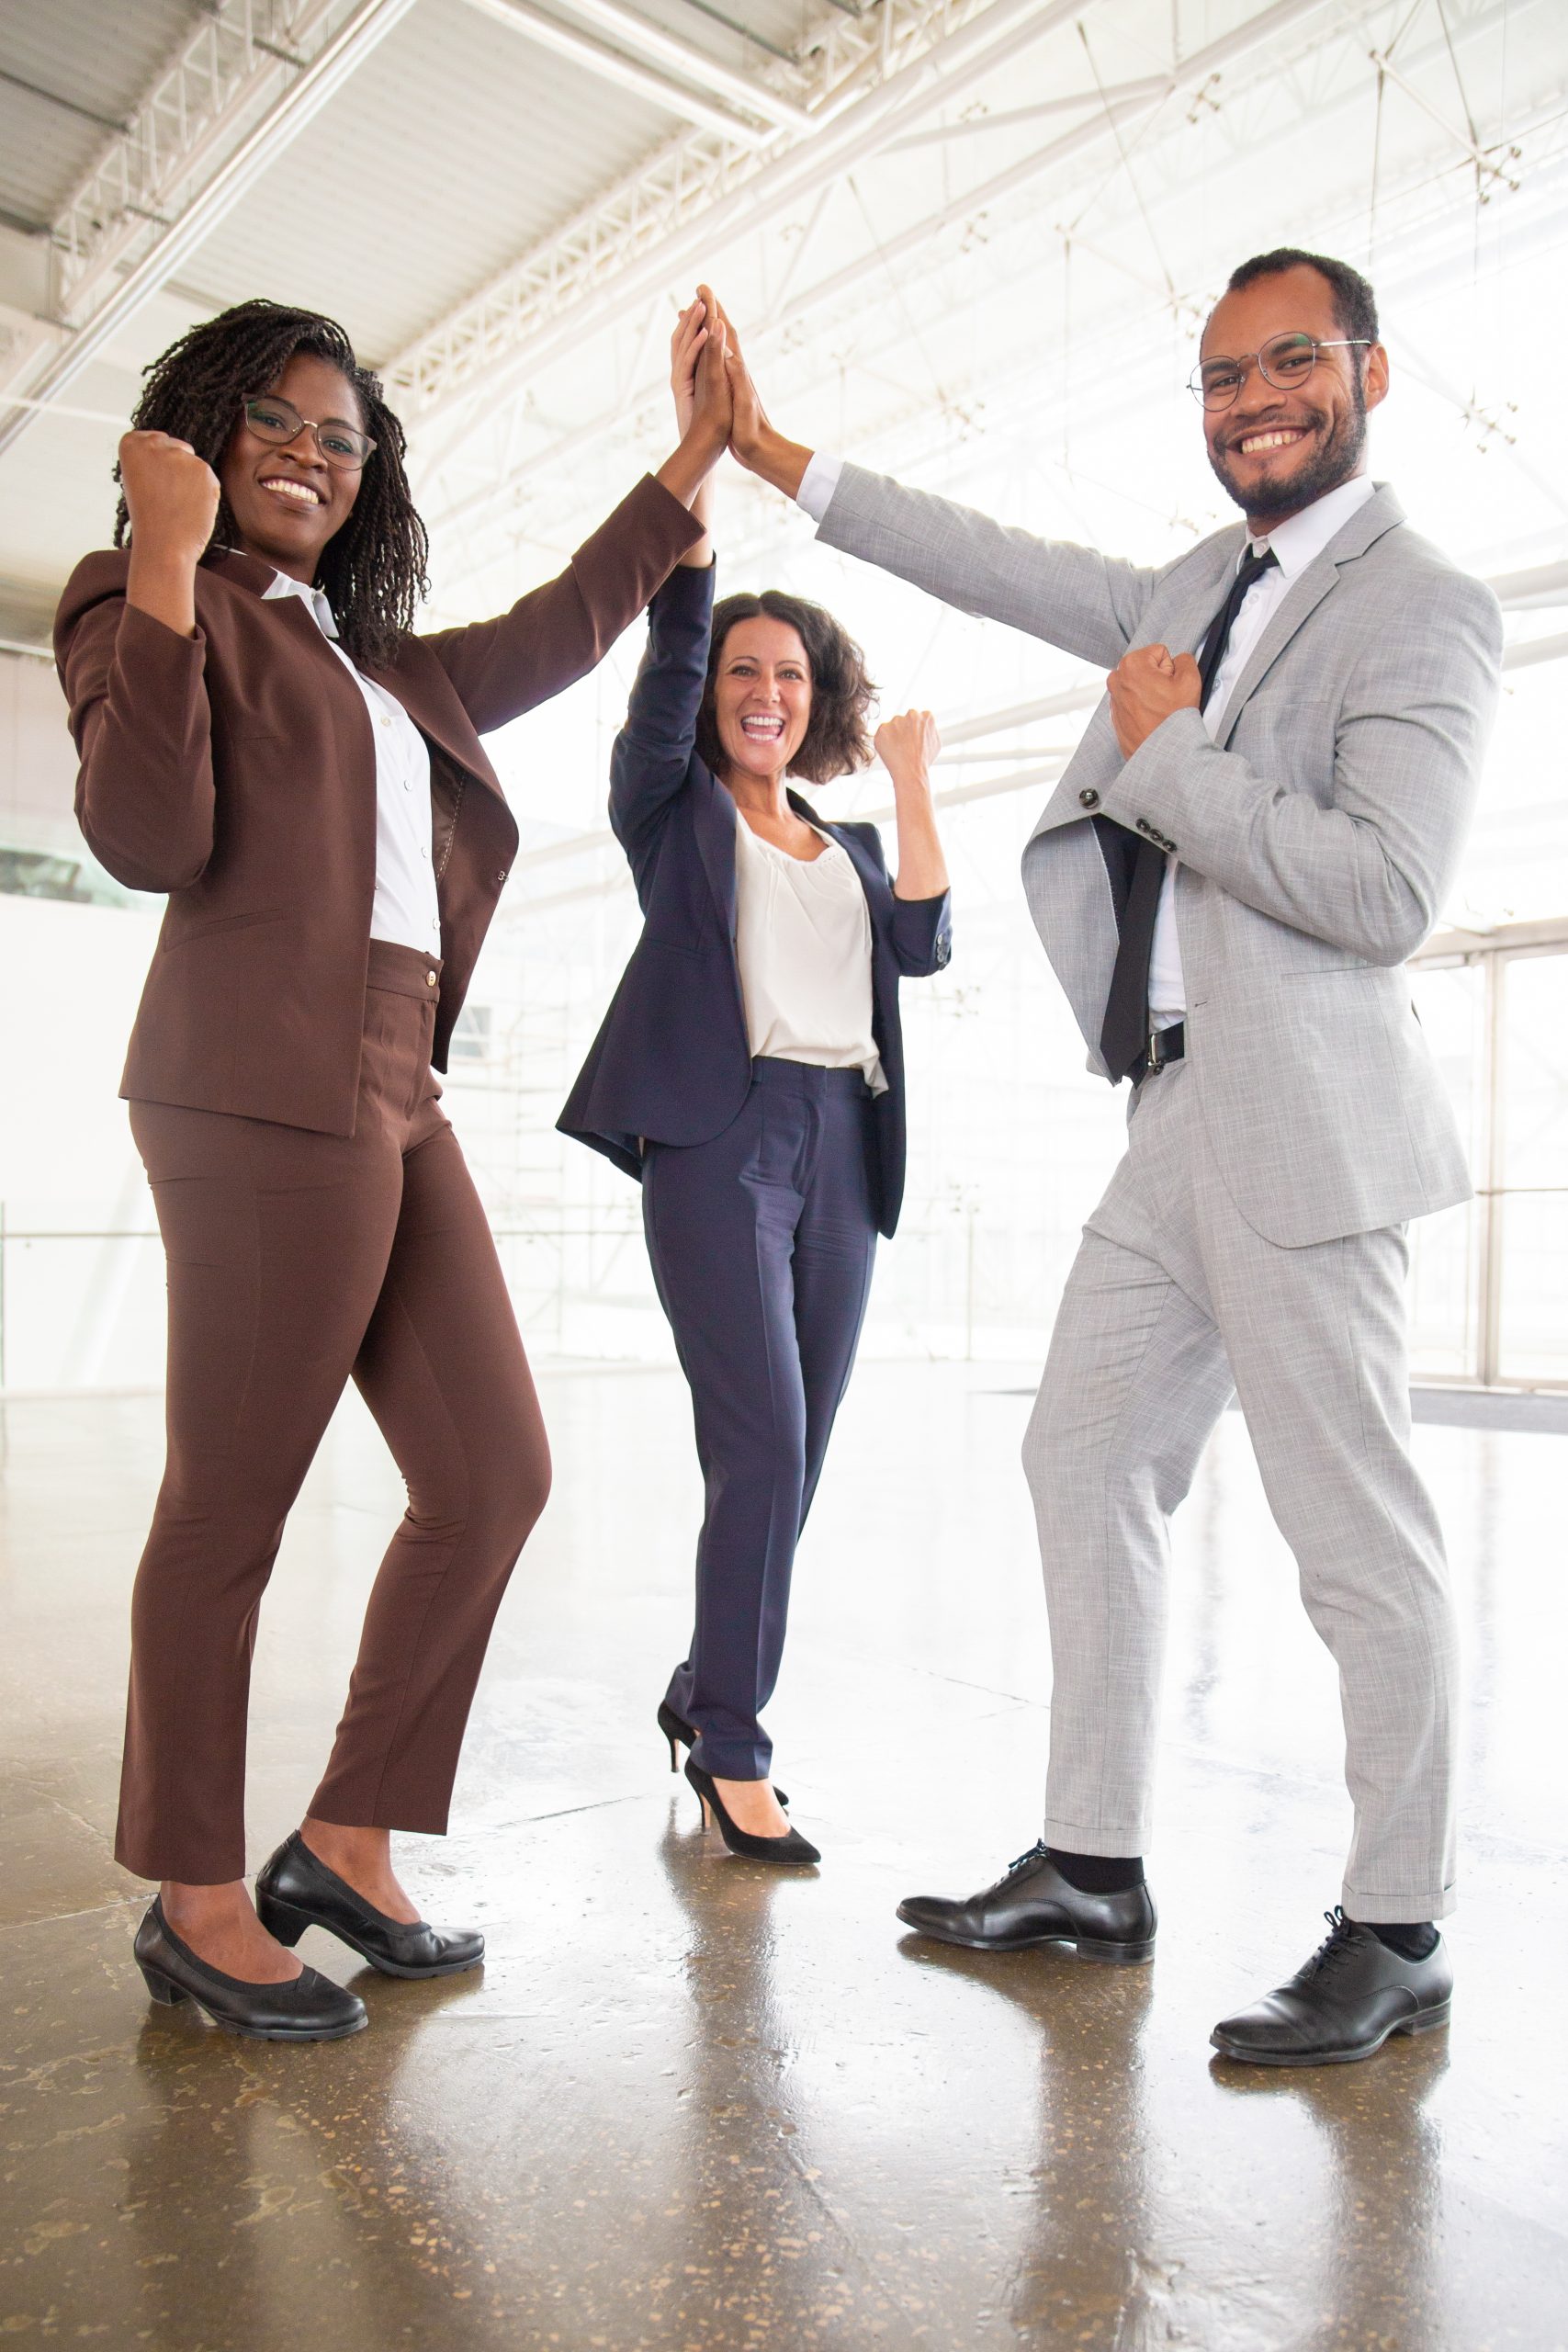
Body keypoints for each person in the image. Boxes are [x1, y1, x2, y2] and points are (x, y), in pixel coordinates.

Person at [718, 250, 1502, 2057]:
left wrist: (1165, 753)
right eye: (1219, 378)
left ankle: (1395, 1923)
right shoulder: (1192, 585)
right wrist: (779, 459)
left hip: (1301, 1115)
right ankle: (1091, 1863)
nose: (1249, 401)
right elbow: (997, 562)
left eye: (1286, 363)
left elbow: (1379, 892)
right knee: (1081, 1456)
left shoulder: (1420, 608)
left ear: (1365, 372)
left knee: (1349, 1539)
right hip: (1169, 1109)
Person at [55, 296, 726, 2040]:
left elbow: (568, 628)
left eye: (343, 438)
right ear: (202, 434)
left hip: (394, 1076)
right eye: (272, 420)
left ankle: (345, 1842)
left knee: (493, 1469)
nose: (309, 452)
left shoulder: (386, 668)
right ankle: (196, 1894)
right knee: (231, 1501)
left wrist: (694, 460)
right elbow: (145, 836)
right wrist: (159, 558)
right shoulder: (156, 604)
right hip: (257, 1084)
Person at [559, 292, 952, 1865]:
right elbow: (667, 665)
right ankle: (736, 1748)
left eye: (789, 673)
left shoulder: (848, 842)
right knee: (762, 1446)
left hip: (842, 1149)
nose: (762, 690)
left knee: (809, 1449)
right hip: (722, 1144)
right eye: (742, 671)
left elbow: (918, 947)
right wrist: (701, 467)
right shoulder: (676, 818)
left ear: (820, 695)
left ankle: (705, 1686)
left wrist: (916, 782)